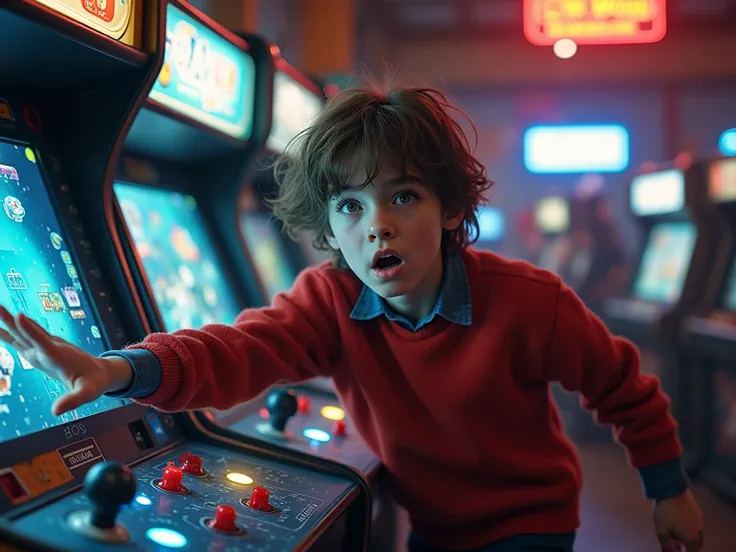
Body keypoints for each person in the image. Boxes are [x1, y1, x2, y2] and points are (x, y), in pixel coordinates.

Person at [0, 84, 704, 552]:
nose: (378, 228)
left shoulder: (529, 300)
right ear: (330, 231)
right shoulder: (329, 301)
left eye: (403, 197)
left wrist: (669, 490)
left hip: (531, 523)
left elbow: (622, 388)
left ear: (452, 208)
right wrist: (117, 368)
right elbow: (235, 350)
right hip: (433, 524)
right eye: (350, 207)